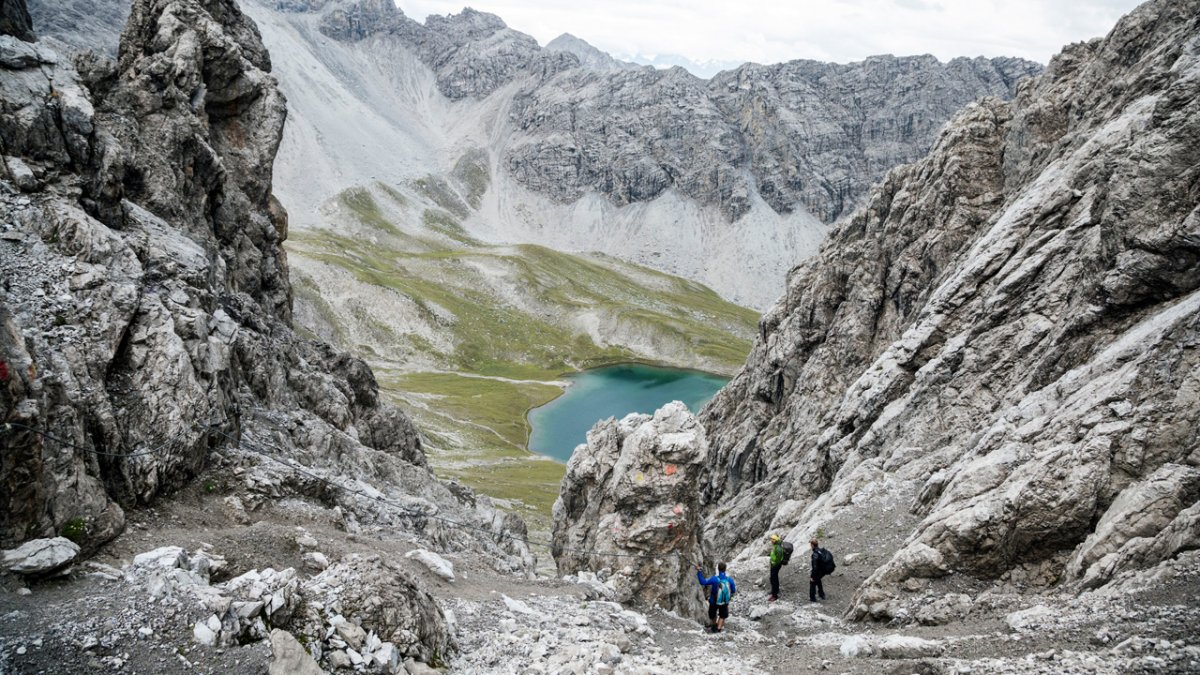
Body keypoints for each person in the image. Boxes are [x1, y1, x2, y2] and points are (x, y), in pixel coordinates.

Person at [696, 561, 737, 633]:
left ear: (718, 569)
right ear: (725, 569)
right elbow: (733, 590)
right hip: (724, 601)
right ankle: (719, 628)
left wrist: (699, 571)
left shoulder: (714, 579)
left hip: (713, 601)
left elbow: (703, 582)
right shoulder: (729, 580)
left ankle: (714, 626)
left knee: (712, 614)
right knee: (722, 615)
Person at [768, 534, 785, 601]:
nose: (771, 541)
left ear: (775, 540)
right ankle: (775, 590)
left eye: (772, 539)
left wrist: (774, 563)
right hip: (774, 564)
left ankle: (774, 595)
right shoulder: (776, 546)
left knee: (773, 579)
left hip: (775, 565)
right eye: (771, 539)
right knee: (774, 578)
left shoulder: (778, 548)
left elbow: (778, 558)